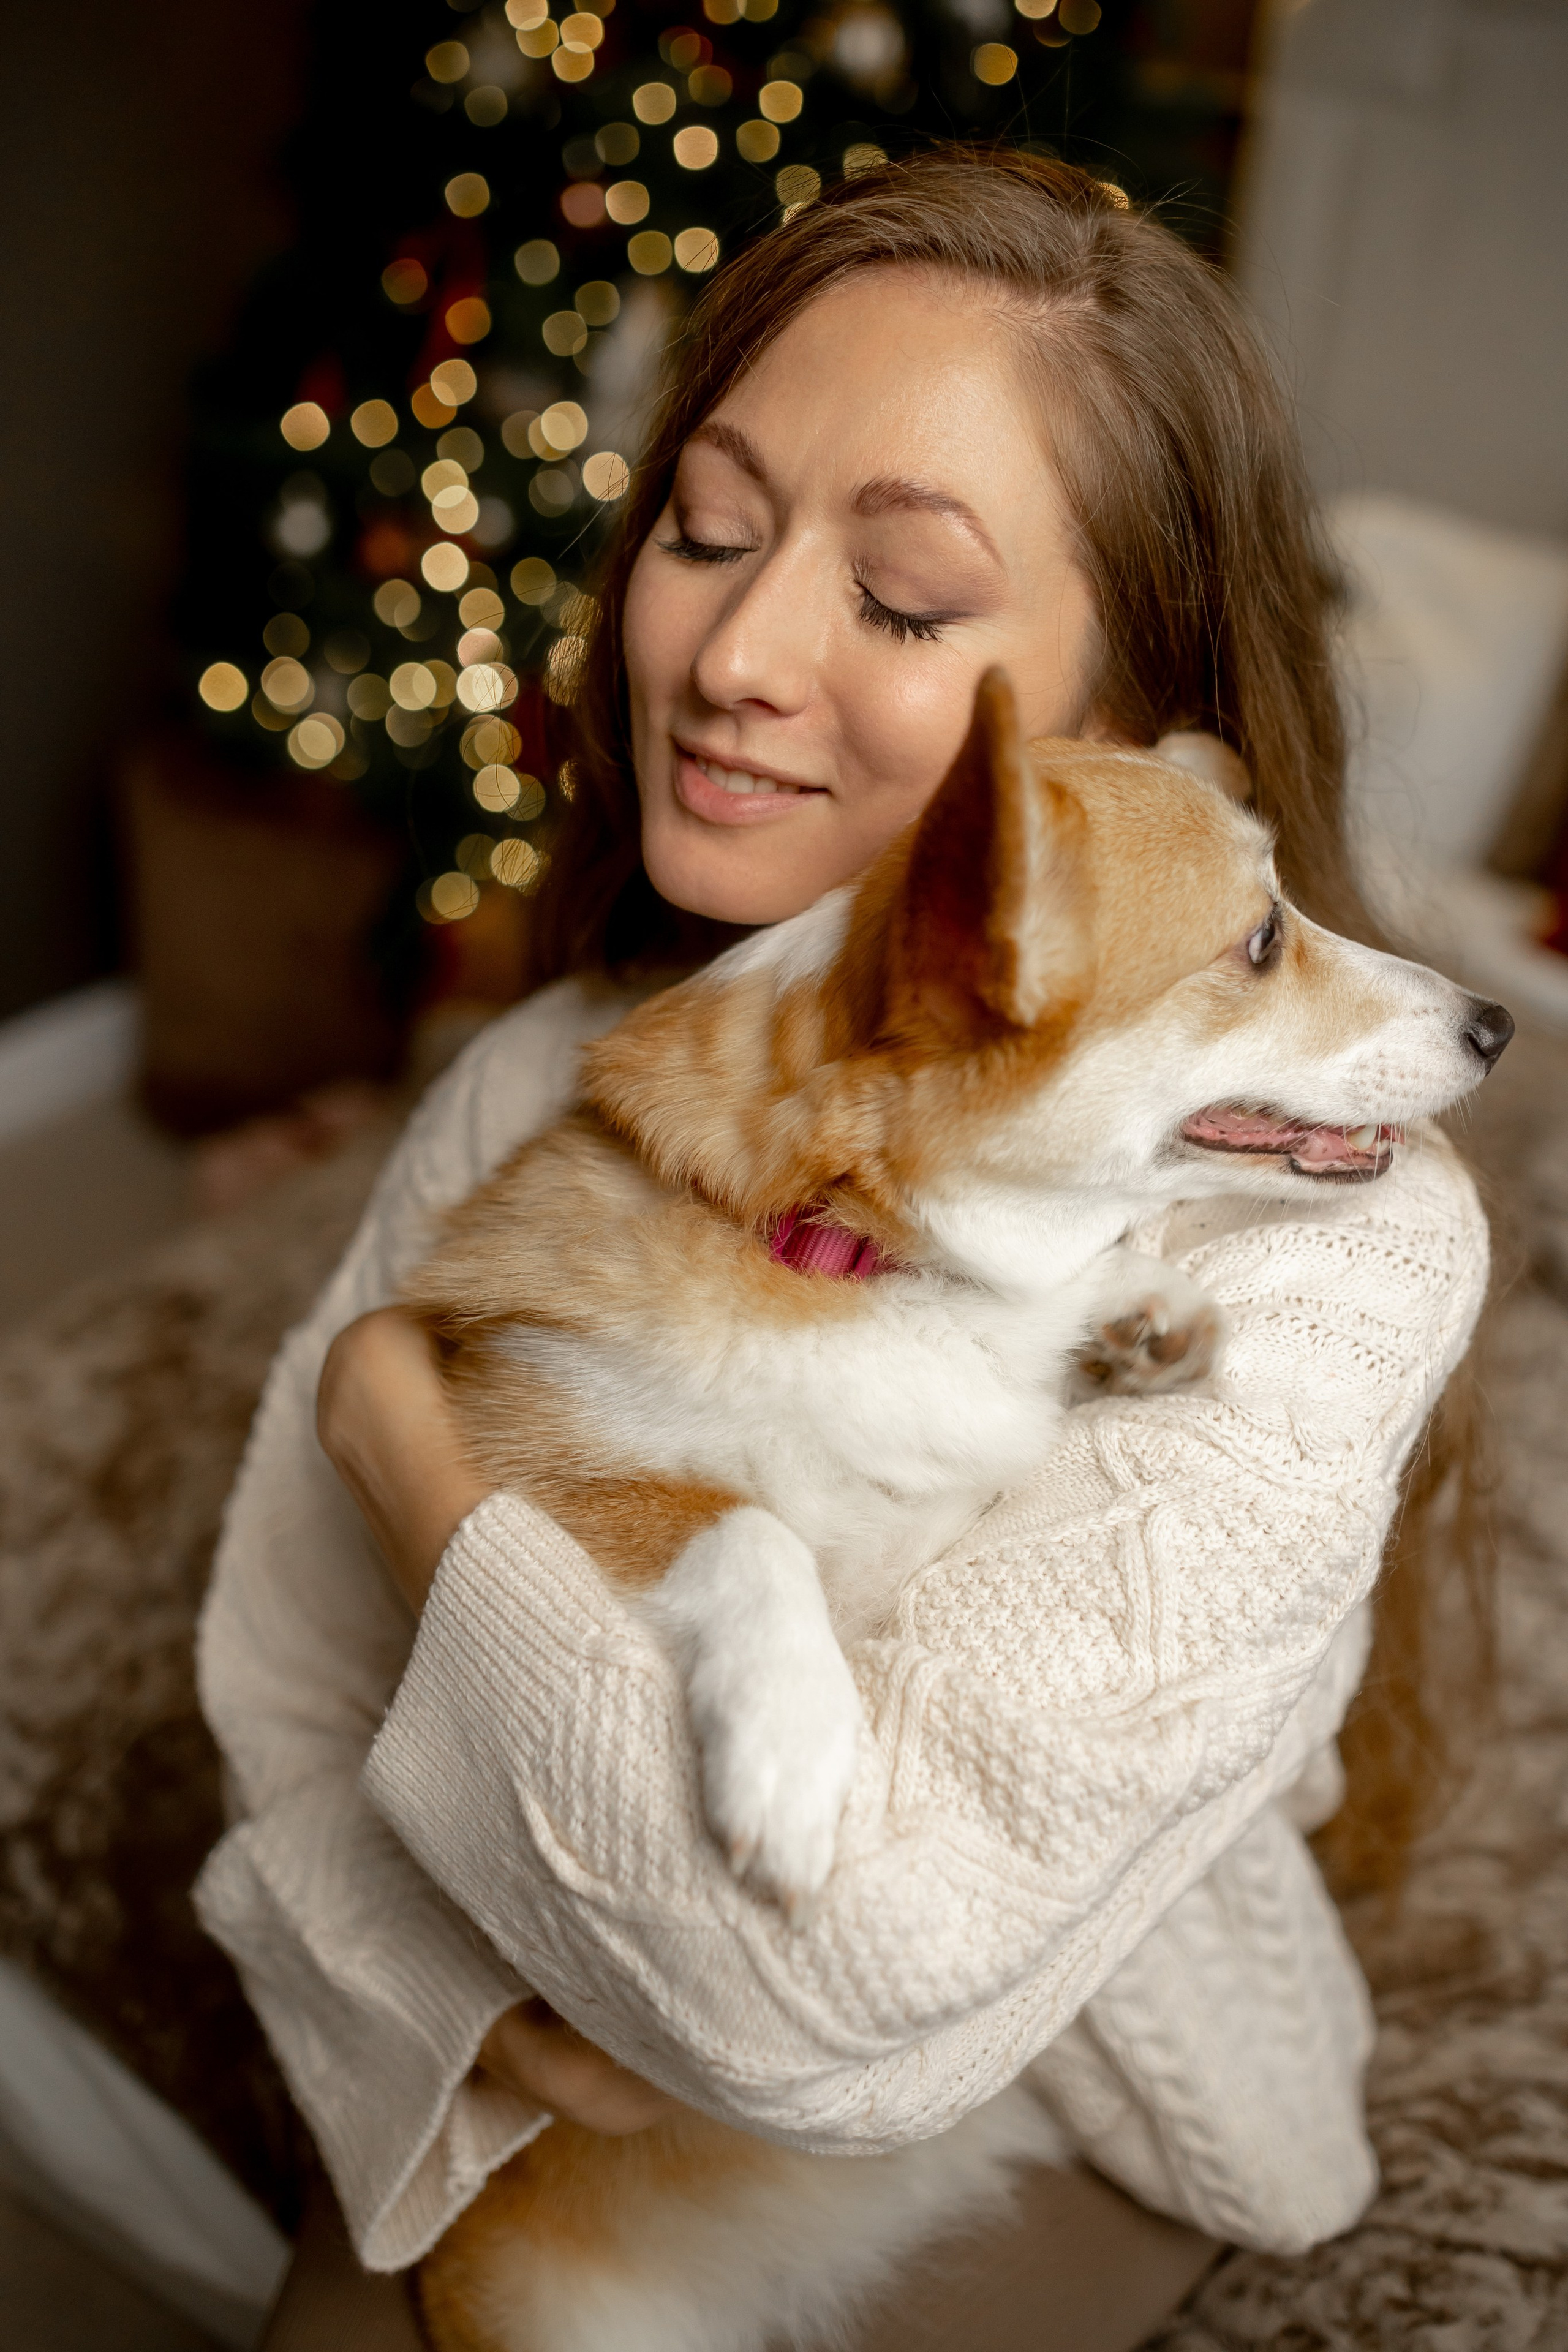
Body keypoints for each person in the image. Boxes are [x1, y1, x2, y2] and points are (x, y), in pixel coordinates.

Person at [196, 149, 1490, 2345]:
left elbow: (818, 1994)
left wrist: (404, 1445)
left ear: (1126, 733)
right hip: (538, 2075)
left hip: (1075, 2088)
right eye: (707, 531)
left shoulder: (1331, 1246)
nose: (732, 650)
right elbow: (286, 1693)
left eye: (901, 601)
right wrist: (481, 2029)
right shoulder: (539, 1090)